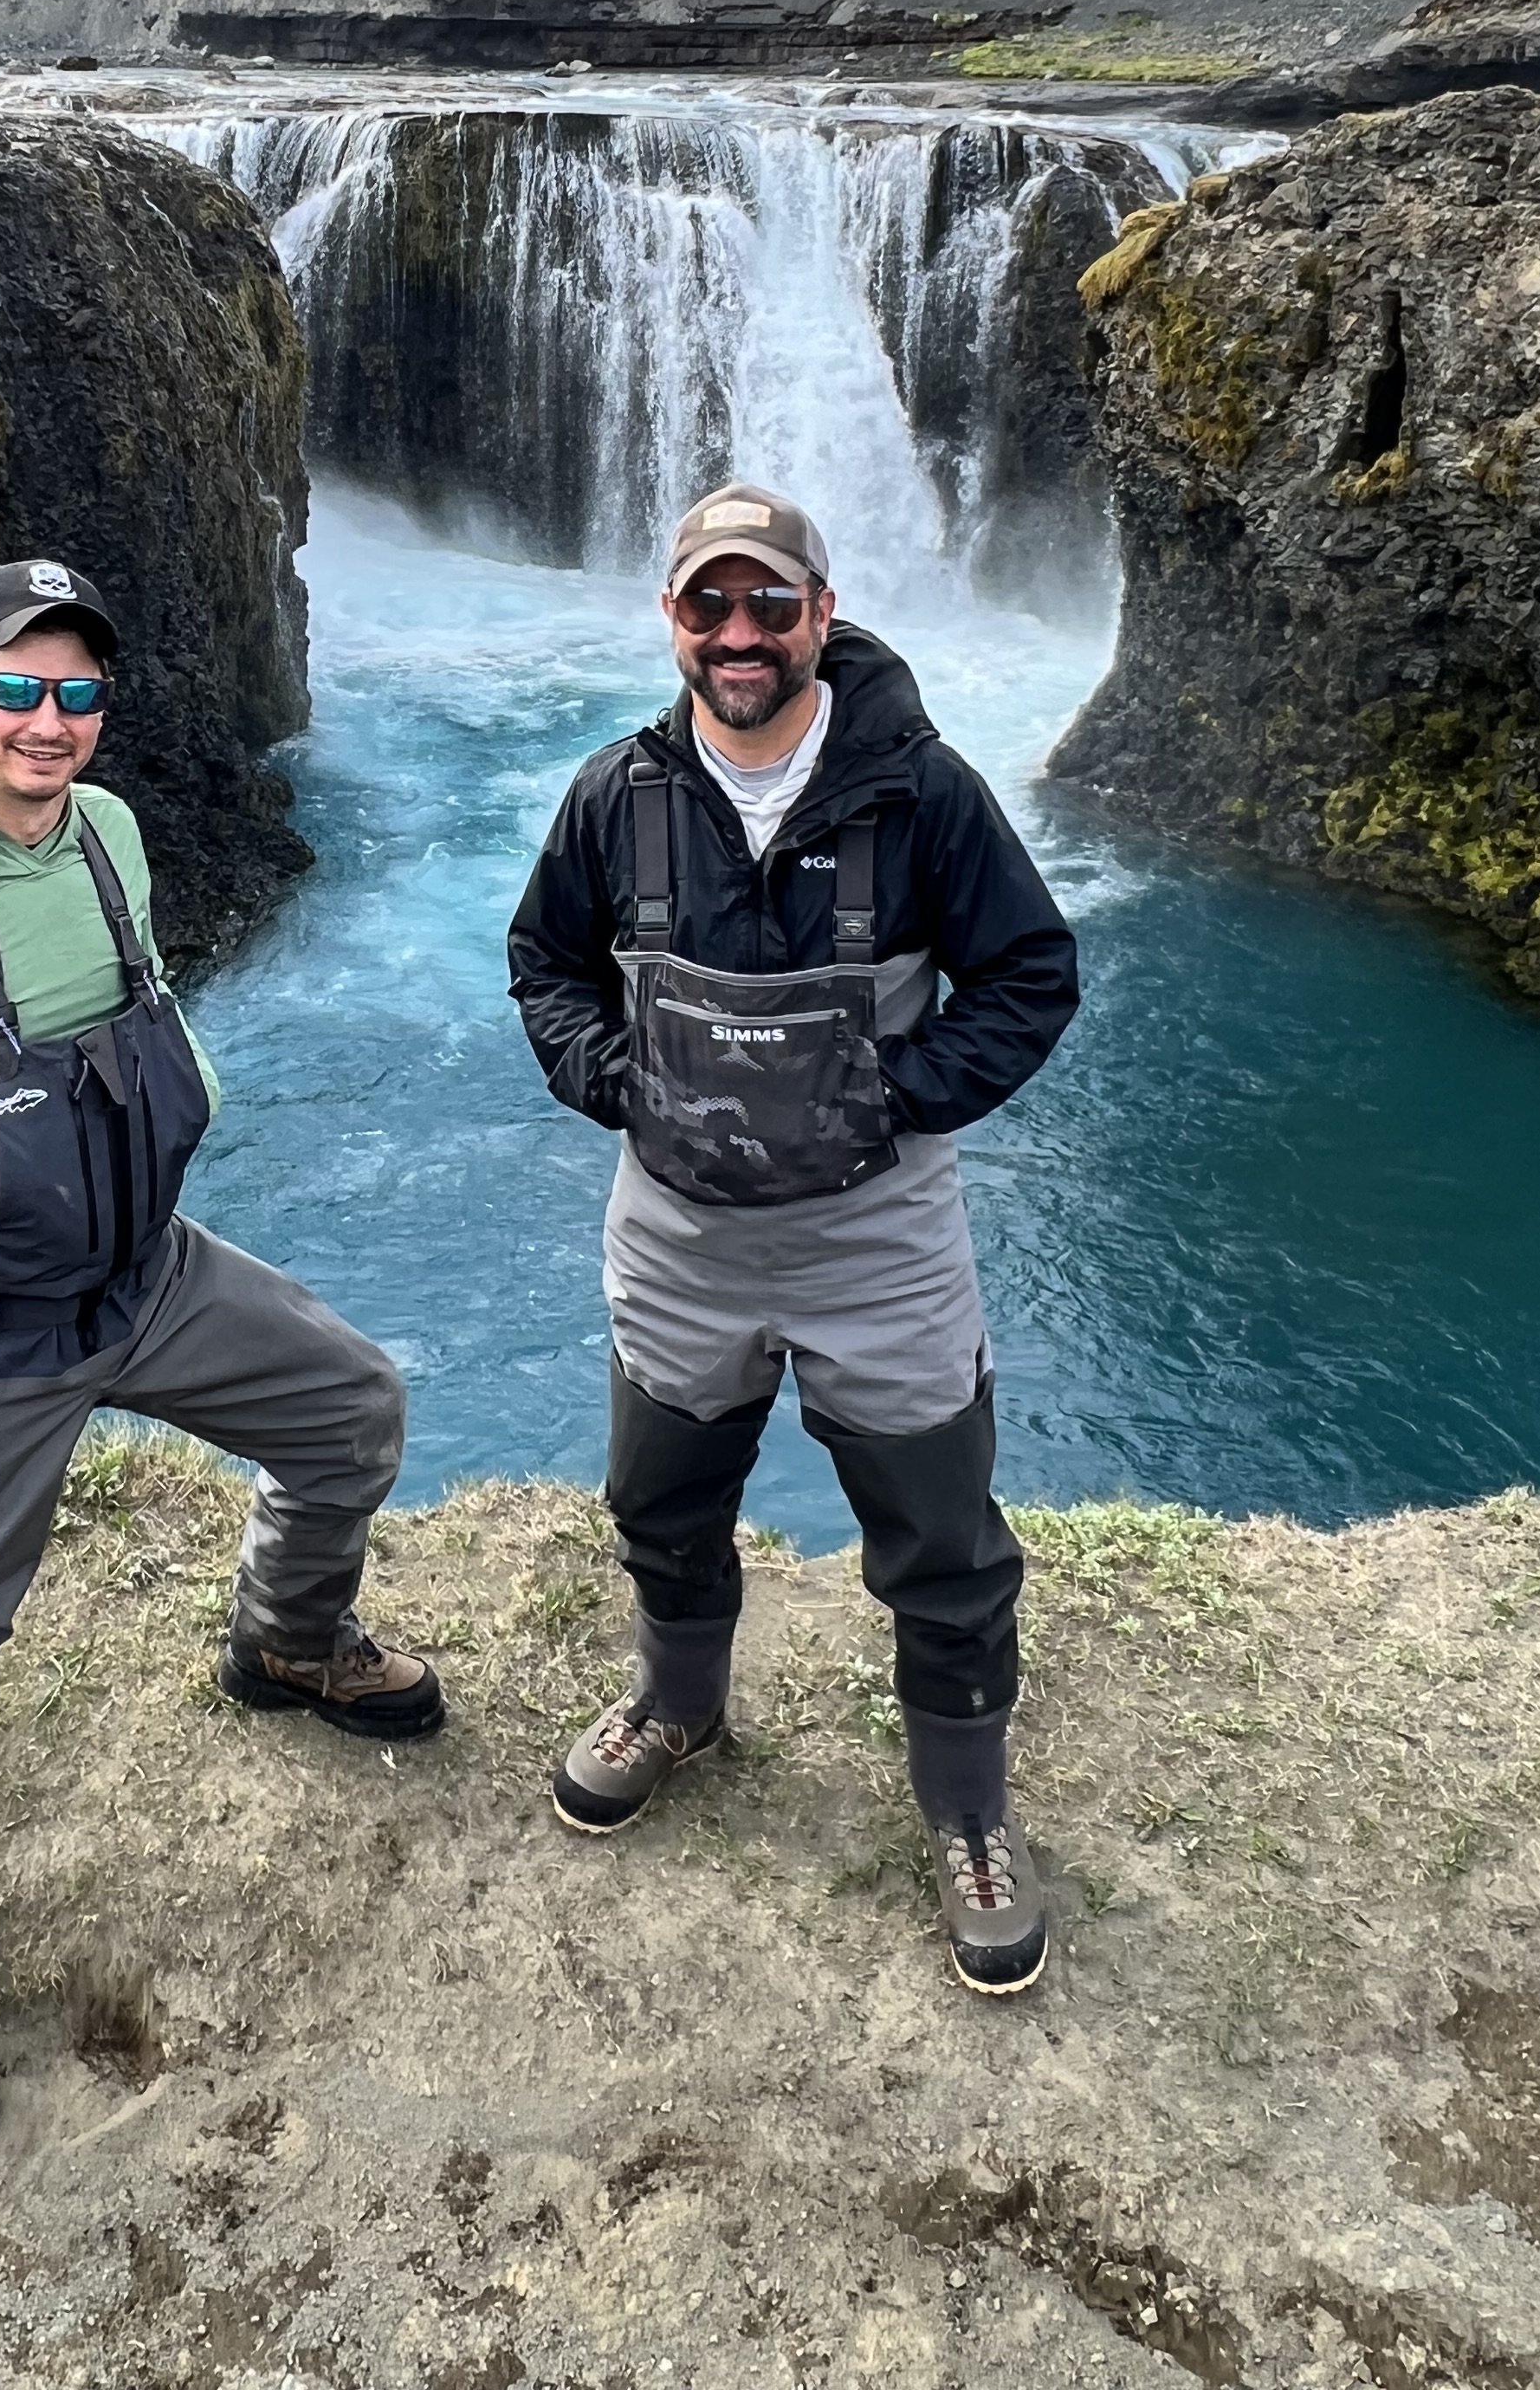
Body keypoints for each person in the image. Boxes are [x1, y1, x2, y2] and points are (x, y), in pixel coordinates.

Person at [0, 555, 443, 2158]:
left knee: (348, 1408)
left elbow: (140, 998)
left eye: (80, 692)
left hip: (144, 1278)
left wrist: (186, 1093)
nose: (52, 722)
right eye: (19, 689)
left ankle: (287, 1642)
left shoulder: (108, 836)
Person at [506, 483, 1079, 1994]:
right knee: (661, 1498)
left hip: (876, 1240)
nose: (740, 635)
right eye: (711, 605)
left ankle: (967, 1821)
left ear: (823, 614)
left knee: (944, 1544)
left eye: (772, 606)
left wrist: (896, 1100)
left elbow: (1030, 977)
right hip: (678, 1238)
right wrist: (618, 1086)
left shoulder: (923, 795)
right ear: (673, 621)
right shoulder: (614, 796)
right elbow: (542, 965)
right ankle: (677, 1708)